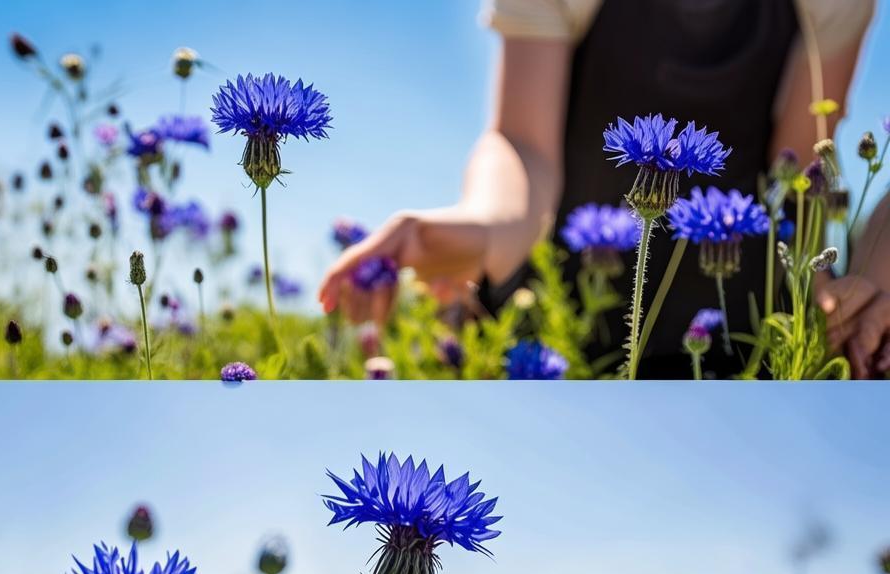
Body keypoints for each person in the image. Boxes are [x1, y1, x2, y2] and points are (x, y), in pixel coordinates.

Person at [318, 0, 890, 379]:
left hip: (740, 325)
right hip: (560, 320)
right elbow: (525, 146)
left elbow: (795, 173)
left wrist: (816, 286)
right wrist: (481, 229)